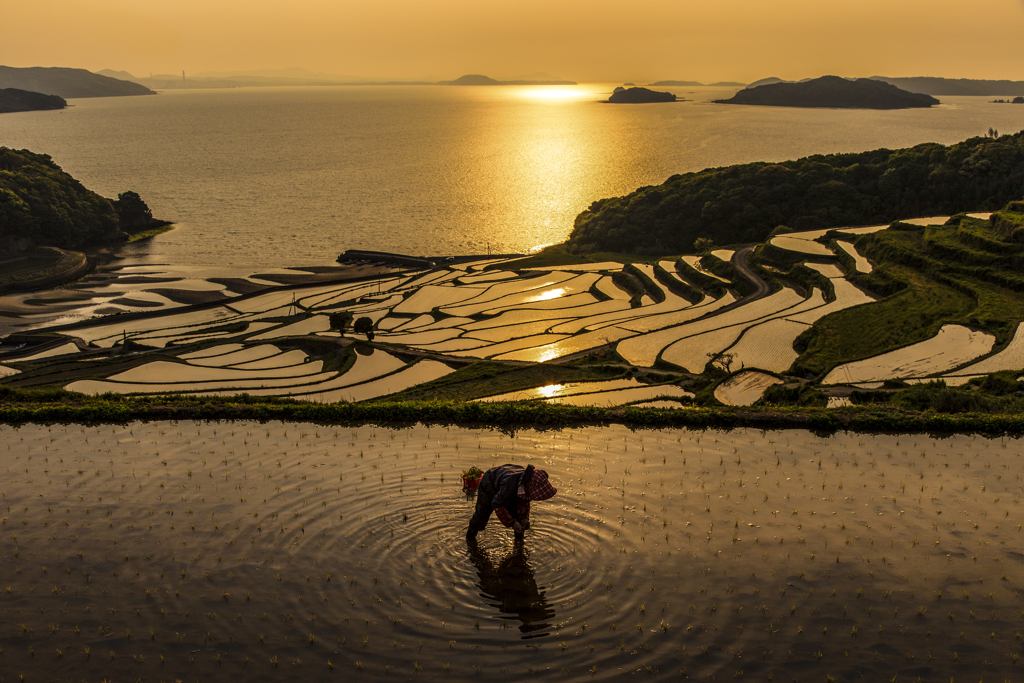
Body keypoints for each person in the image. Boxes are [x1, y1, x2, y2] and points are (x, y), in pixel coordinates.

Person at [466, 464, 556, 541]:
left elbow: (524, 501)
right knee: (481, 516)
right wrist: (512, 523)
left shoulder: (528, 482)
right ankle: (470, 538)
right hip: (490, 483)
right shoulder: (509, 484)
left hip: (508, 485)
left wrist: (524, 518)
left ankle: (519, 544)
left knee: (520, 520)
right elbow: (496, 503)